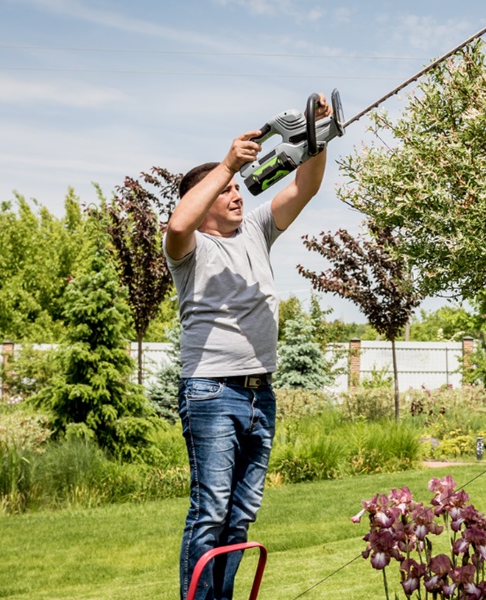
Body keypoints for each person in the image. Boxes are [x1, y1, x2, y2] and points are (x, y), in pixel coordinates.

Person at [163, 94, 331, 600]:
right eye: (228, 189)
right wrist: (227, 162)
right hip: (212, 392)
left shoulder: (256, 229)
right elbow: (176, 223)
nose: (238, 194)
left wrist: (317, 134)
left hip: (261, 393)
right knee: (210, 510)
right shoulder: (190, 250)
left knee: (239, 517)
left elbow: (305, 185)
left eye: (238, 188)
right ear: (206, 197)